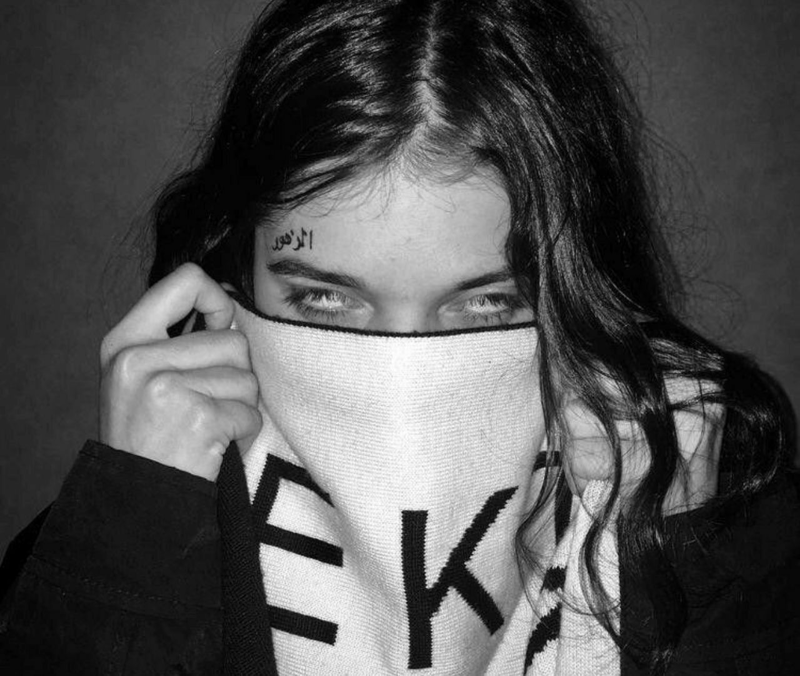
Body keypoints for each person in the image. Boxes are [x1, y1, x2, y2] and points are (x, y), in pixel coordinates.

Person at [1, 0, 798, 674]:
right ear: (232, 270)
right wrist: (135, 539)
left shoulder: (740, 534)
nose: (402, 385)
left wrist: (681, 559)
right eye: (324, 298)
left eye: (488, 305)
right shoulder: (97, 558)